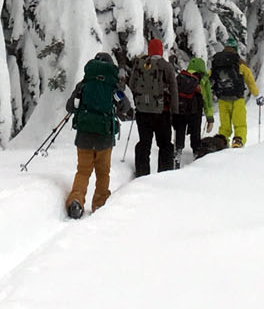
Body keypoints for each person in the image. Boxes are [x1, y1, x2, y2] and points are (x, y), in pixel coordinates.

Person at [63, 51, 135, 218]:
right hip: (104, 136)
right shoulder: (113, 86)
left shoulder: (84, 84)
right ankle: (100, 204)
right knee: (103, 173)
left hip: (84, 136)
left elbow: (69, 106)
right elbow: (125, 107)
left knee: (83, 171)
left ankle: (76, 200)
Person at [126, 37, 180, 177]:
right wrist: (175, 111)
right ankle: (164, 173)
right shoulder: (166, 66)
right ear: (161, 50)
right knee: (165, 144)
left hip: (143, 112)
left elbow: (131, 85)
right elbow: (174, 90)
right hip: (162, 112)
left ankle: (142, 173)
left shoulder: (141, 64)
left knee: (144, 143)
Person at [210, 36, 261, 147]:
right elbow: (250, 81)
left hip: (222, 98)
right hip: (237, 98)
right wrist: (257, 95)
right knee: (239, 123)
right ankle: (238, 140)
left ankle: (222, 141)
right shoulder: (239, 63)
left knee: (224, 125)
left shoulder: (218, 62)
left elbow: (210, 77)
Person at [173, 53, 214, 160]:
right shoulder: (203, 79)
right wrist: (210, 118)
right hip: (195, 111)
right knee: (195, 132)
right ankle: (196, 153)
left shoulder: (181, 77)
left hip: (180, 110)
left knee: (180, 130)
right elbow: (207, 99)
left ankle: (178, 151)